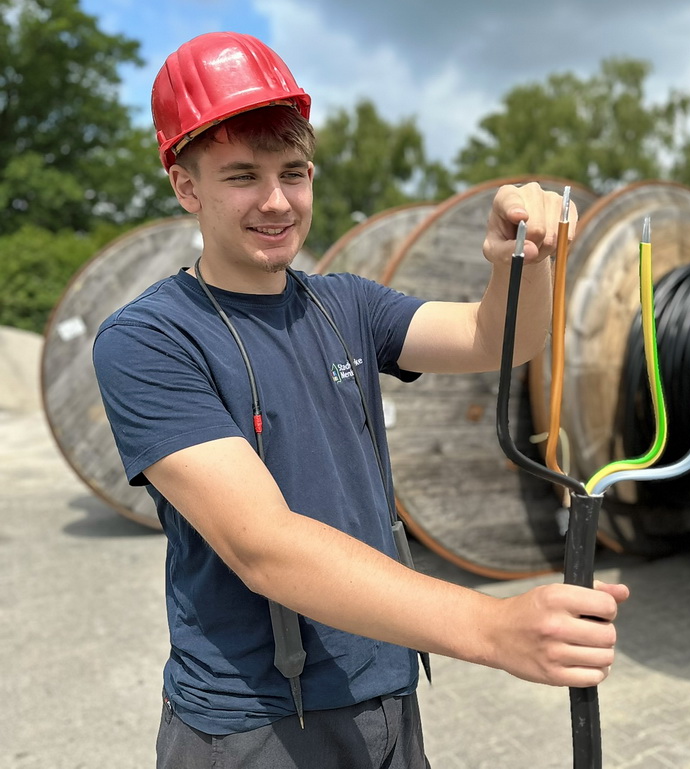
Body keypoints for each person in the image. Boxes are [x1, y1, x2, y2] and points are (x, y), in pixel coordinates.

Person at [93, 31, 629, 769]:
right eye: (243, 176)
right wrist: (493, 627)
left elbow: (494, 337)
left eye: (294, 172)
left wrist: (520, 259)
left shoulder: (344, 304)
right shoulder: (150, 339)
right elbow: (263, 546)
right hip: (254, 724)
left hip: (384, 689)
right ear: (187, 186)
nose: (277, 201)